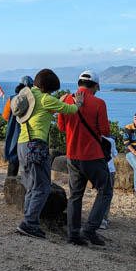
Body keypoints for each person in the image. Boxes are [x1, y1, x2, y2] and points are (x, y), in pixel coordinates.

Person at [15, 68, 82, 240]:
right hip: (36, 145)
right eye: (53, 90)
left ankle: (28, 217)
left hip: (22, 144)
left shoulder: (30, 96)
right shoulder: (46, 99)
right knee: (42, 186)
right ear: (48, 88)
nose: (53, 93)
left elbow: (46, 109)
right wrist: (79, 103)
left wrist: (56, 100)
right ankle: (29, 223)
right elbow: (70, 110)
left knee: (31, 185)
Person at [57, 70, 112, 246]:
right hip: (93, 155)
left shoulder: (66, 100)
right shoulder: (99, 103)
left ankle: (73, 235)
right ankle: (89, 229)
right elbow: (105, 131)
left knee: (75, 195)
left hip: (72, 154)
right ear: (95, 86)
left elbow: (61, 127)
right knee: (105, 190)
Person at [2, 75, 34, 178]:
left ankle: (10, 181)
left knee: (13, 157)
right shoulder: (32, 100)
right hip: (29, 131)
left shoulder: (11, 99)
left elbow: (5, 116)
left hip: (14, 130)